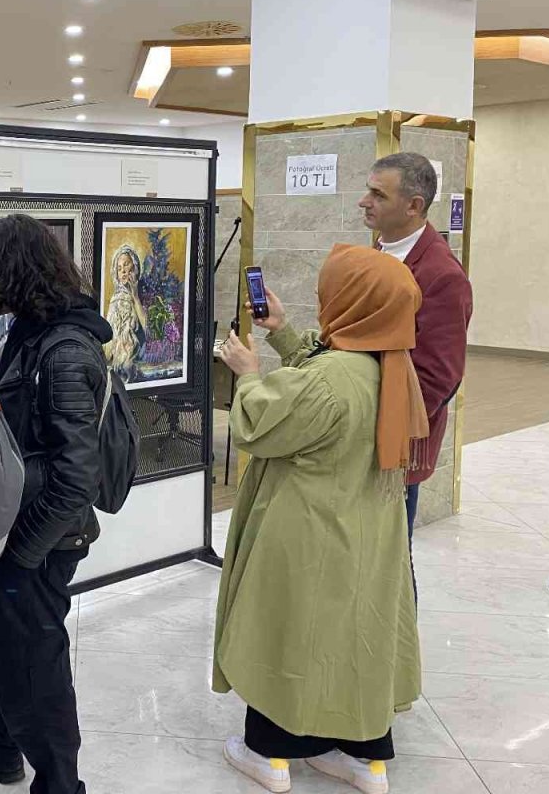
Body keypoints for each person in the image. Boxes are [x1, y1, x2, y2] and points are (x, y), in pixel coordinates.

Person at [213, 245, 425, 794]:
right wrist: (283, 332)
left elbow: (264, 423)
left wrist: (249, 373)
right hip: (370, 532)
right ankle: (365, 758)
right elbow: (327, 371)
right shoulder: (394, 366)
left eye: (329, 295)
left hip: (310, 529)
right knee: (358, 636)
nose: (324, 303)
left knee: (290, 632)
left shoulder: (331, 379)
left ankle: (271, 754)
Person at [0, 214, 111, 794]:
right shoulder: (34, 331)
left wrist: (25, 553)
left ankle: (60, 781)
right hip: (22, 528)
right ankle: (2, 742)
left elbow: (77, 475)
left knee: (37, 658)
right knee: (3, 638)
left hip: (44, 538)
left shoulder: (64, 351)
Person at [358, 153, 473, 548]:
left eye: (377, 194)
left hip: (395, 445)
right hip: (359, 433)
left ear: (413, 206)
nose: (364, 201)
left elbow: (439, 378)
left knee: (390, 563)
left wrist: (375, 421)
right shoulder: (378, 251)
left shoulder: (442, 276)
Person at [104, 244, 146, 376]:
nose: (122, 271)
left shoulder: (144, 293)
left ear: (135, 267)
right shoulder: (115, 298)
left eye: (126, 265)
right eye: (119, 268)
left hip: (136, 354)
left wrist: (135, 297)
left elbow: (148, 329)